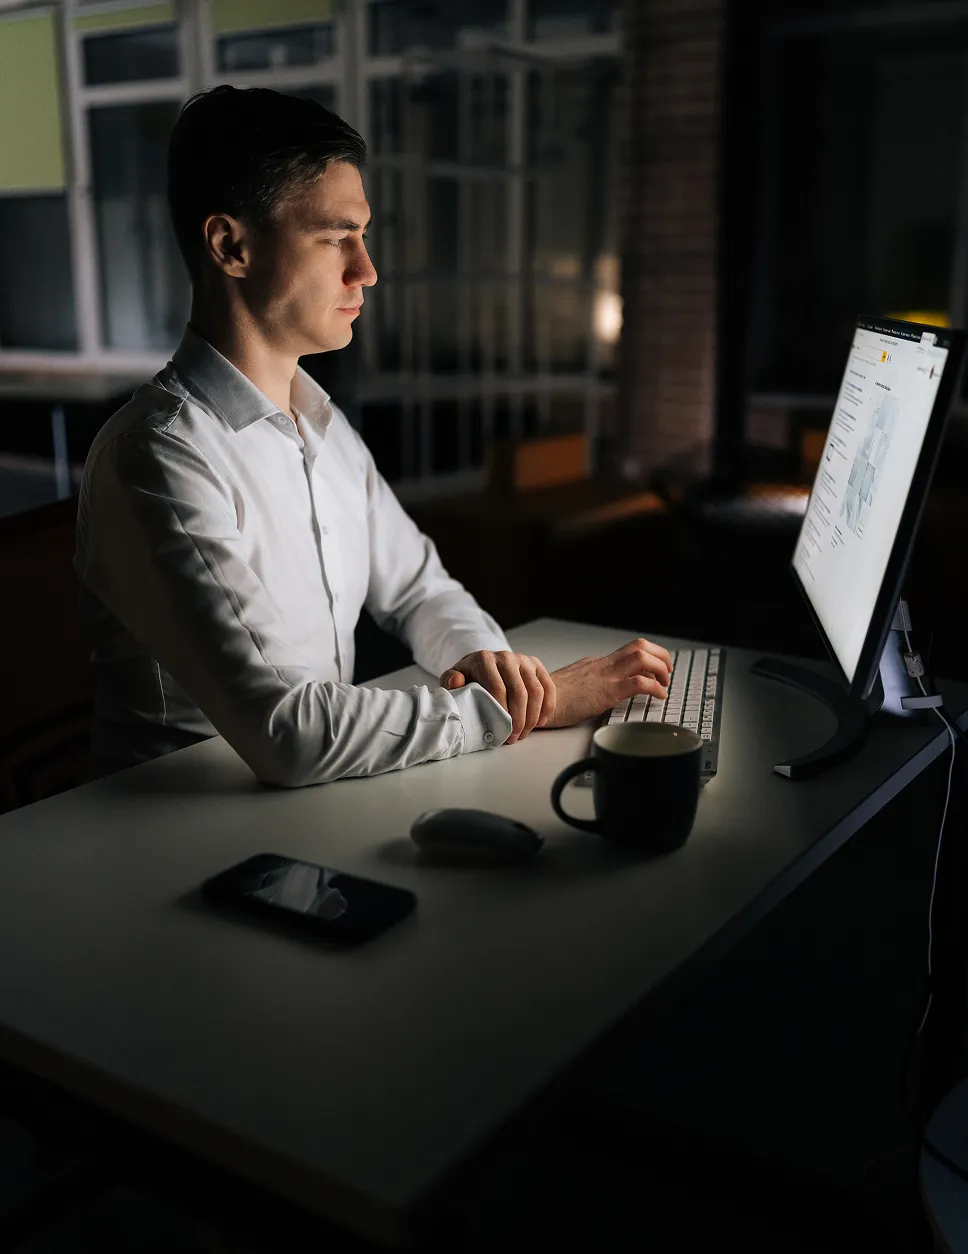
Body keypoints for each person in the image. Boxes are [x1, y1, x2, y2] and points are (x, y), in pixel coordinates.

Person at [74, 86, 672, 787]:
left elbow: (421, 591)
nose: (367, 270)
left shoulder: (321, 424)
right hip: (178, 840)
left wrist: (503, 677)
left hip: (310, 804)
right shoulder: (156, 455)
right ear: (231, 246)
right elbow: (288, 732)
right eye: (335, 239)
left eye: (364, 236)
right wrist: (518, 710)